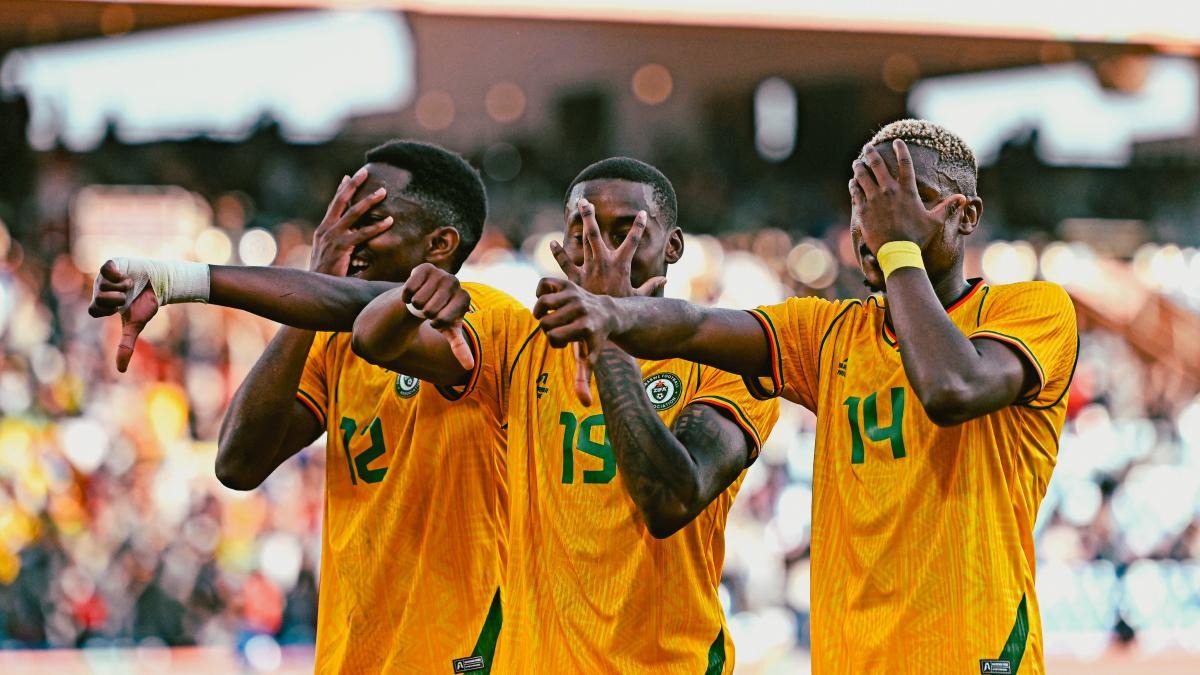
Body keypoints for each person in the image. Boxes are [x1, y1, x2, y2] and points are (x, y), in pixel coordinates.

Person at [532, 121, 1078, 675]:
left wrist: (898, 250)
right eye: (865, 200)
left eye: (913, 201)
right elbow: (694, 325)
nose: (879, 221)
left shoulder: (1033, 309)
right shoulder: (826, 334)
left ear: (967, 216)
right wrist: (612, 314)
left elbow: (951, 387)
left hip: (974, 657)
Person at [88, 140, 519, 674]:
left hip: (463, 657)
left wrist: (185, 281)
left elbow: (371, 321)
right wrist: (311, 292)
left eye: (369, 218)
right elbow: (239, 463)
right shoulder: (332, 341)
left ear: (440, 243)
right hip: (352, 659)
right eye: (341, 214)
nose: (344, 234)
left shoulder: (489, 319)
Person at [350, 157, 780, 673]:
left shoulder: (727, 361)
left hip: (662, 663)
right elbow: (371, 339)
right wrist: (409, 299)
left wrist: (610, 330)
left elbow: (668, 502)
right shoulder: (519, 342)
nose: (602, 252)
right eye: (583, 233)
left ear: (674, 247)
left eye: (625, 232)